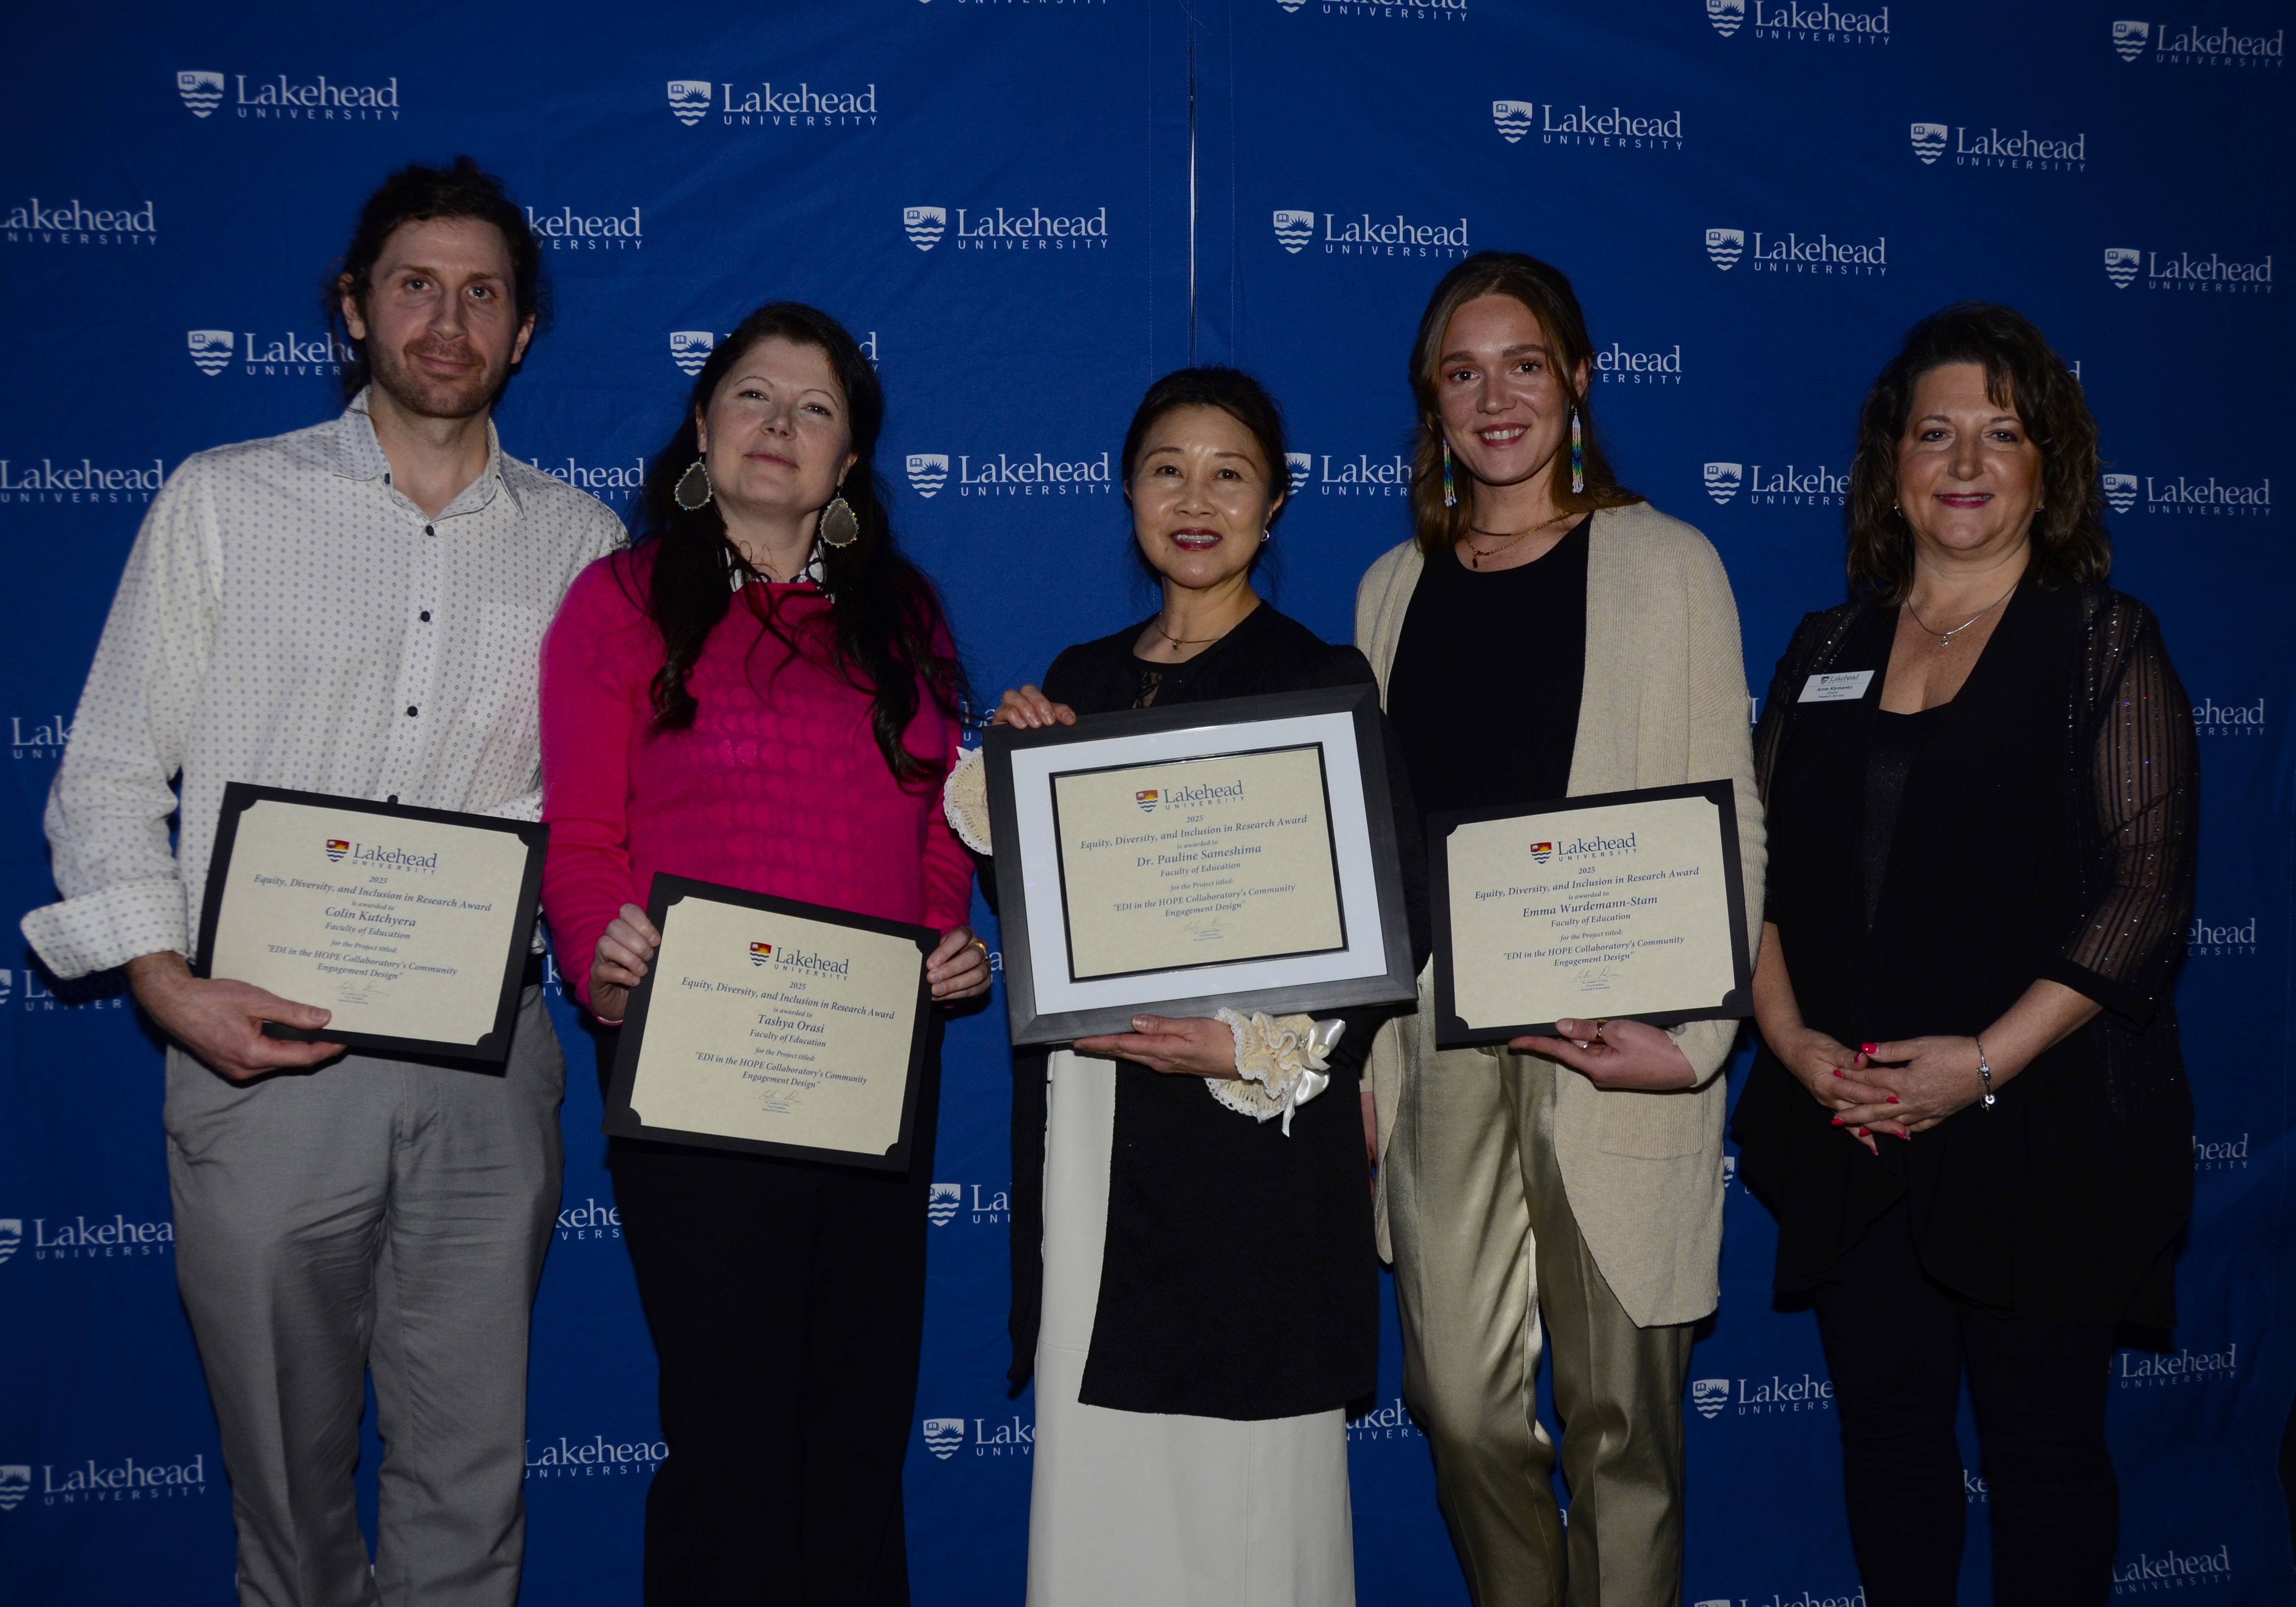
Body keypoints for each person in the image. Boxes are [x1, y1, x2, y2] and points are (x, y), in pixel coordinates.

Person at [19, 158, 624, 1606]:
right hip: (259, 1057)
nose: (446, 322)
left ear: (523, 331)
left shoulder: (587, 548)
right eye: (415, 286)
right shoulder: (224, 503)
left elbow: (602, 821)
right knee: (284, 1478)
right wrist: (170, 992)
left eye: (482, 295)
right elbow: (106, 773)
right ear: (353, 310)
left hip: (490, 1067)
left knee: (469, 1466)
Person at [1732, 303, 2197, 1604]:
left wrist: (1981, 1065)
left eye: (2000, 433)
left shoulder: (2101, 642)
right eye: (1933, 433)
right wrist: (1791, 1045)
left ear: (2046, 466)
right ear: (1892, 466)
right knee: (1886, 1458)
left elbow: (2143, 894)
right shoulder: (1823, 650)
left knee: (2042, 1463)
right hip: (1851, 1122)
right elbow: (1747, 874)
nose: (1963, 460)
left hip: (2034, 1131)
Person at [537, 301, 990, 1605]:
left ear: (849, 462)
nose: (778, 427)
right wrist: (597, 954)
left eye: (813, 410)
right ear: (700, 426)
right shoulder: (618, 602)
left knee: (854, 1447)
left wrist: (942, 945)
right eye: (751, 397)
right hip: (693, 1078)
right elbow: (581, 838)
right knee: (731, 1449)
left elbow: (933, 829)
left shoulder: (902, 615)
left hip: (863, 1076)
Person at [1352, 251, 1765, 1606]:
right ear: (1431, 402)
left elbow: (1731, 815)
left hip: (1618, 1025)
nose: (1494, 398)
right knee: (1458, 1405)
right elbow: (1373, 852)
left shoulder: (1666, 564)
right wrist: (1368, 1062)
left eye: (1522, 363)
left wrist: (1697, 1045)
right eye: (1460, 374)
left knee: (1620, 1429)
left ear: (1576, 381)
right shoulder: (1387, 588)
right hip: (1436, 1028)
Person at [991, 366, 1429, 1607]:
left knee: (1243, 1495)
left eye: (1229, 472)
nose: (1196, 498)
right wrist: (1013, 775)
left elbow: (1397, 922)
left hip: (1251, 1132)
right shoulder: (1073, 677)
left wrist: (1252, 1050)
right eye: (1167, 469)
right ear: (1127, 491)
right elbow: (1036, 909)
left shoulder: (1319, 675)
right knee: (1106, 1476)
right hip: (1096, 1113)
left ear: (1276, 503)